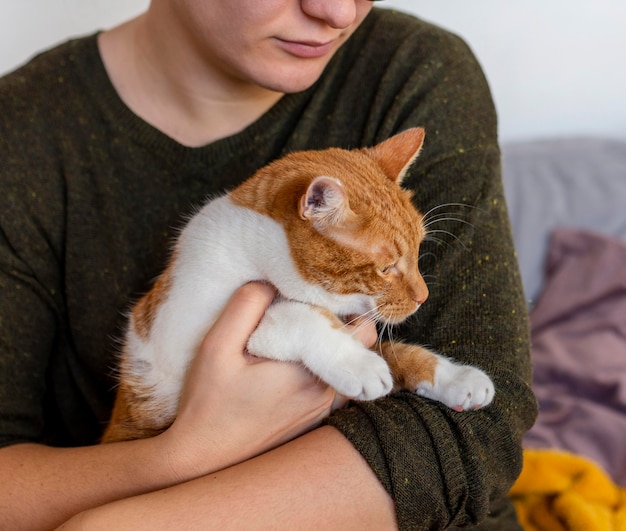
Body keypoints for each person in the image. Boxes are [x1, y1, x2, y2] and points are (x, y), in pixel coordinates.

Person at [0, 0, 537, 528]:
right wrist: (182, 455)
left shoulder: (416, 69)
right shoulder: (21, 131)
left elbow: (479, 431)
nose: (339, 13)